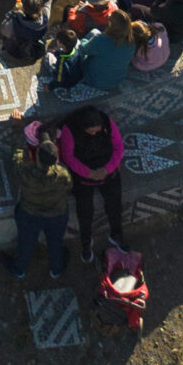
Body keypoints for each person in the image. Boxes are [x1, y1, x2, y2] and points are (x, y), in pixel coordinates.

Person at [0, 119, 72, 282]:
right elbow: (68, 186)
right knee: (55, 243)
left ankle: (19, 269)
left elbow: (17, 154)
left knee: (25, 244)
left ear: (37, 155)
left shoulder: (25, 172)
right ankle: (56, 269)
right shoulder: (63, 173)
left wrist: (17, 128)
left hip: (29, 215)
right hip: (57, 214)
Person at [55, 107, 125, 263]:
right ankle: (86, 242)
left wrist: (108, 168)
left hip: (107, 171)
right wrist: (89, 173)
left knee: (114, 203)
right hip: (83, 176)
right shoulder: (69, 130)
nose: (94, 133)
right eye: (91, 131)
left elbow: (119, 147)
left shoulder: (106, 123)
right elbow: (69, 157)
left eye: (97, 130)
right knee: (85, 211)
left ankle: (116, 234)